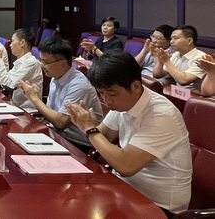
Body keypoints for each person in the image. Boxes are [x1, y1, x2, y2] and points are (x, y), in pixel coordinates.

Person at [66, 51, 192, 215]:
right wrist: (84, 123)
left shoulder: (162, 114)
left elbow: (125, 166)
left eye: (111, 94)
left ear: (136, 87)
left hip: (159, 207)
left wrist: (90, 129)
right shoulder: (123, 103)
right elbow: (103, 135)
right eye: (101, 93)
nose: (106, 101)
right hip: (124, 190)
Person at [19, 36, 103, 151]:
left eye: (45, 62)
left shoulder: (79, 85)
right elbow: (50, 114)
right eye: (41, 61)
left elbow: (61, 123)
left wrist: (34, 98)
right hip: (56, 135)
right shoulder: (55, 78)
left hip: (77, 145)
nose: (42, 65)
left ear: (62, 63)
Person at [0, 28, 43, 110]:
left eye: (13, 41)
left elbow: (8, 85)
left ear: (22, 42)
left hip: (28, 111)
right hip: (15, 106)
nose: (10, 45)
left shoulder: (31, 62)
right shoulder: (20, 61)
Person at [152, 25, 206, 91]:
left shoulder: (200, 58)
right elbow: (157, 75)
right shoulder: (175, 55)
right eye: (171, 38)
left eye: (175, 38)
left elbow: (183, 80)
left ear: (189, 40)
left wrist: (166, 61)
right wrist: (161, 60)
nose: (171, 41)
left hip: (195, 95)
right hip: (178, 93)